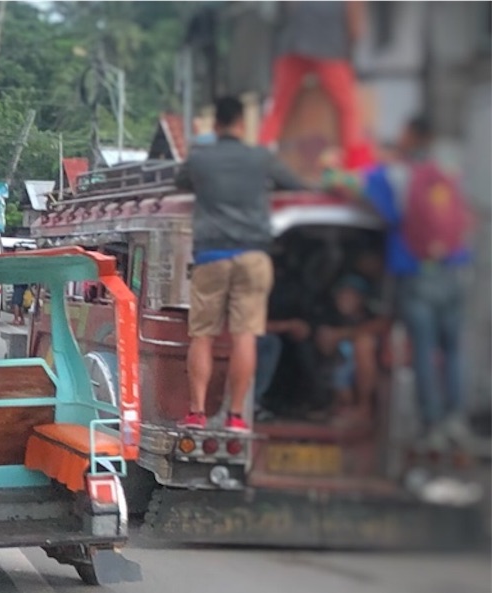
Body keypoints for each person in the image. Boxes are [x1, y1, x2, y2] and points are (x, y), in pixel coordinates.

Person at [175, 96, 308, 432]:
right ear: (241, 125)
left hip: (212, 255)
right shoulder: (261, 158)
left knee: (202, 335)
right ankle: (236, 416)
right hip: (253, 254)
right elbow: (297, 185)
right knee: (245, 336)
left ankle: (197, 413)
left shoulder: (201, 157)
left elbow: (180, 182)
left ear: (216, 125)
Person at [354, 116, 475, 449]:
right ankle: (456, 420)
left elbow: (361, 190)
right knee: (452, 350)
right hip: (454, 272)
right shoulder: (448, 173)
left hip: (415, 274)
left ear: (411, 136)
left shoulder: (394, 174)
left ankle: (432, 425)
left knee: (423, 349)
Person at [259, 1, 366, 163]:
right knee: (348, 109)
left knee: (277, 108)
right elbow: (355, 26)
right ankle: (354, 165)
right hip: (330, 47)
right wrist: (349, 50)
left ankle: (259, 157)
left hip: (292, 44)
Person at [314, 275, 386, 424]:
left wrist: (342, 334)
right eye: (341, 294)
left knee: (363, 345)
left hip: (365, 373)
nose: (344, 299)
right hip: (337, 372)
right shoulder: (330, 316)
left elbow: (380, 325)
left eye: (350, 295)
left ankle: (363, 408)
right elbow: (324, 345)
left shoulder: (370, 315)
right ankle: (340, 405)